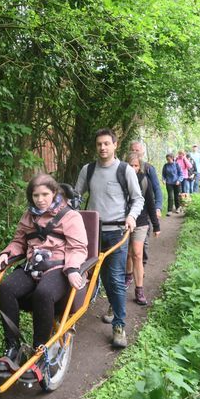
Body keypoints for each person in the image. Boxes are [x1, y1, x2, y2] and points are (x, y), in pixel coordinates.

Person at [0, 173, 88, 378]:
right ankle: (12, 348)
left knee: (43, 293)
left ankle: (39, 352)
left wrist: (72, 269)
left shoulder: (70, 216)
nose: (40, 199)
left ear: (54, 193)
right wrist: (7, 253)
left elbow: (78, 248)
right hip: (32, 267)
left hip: (58, 269)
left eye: (45, 194)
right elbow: (19, 241)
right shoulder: (28, 217)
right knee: (7, 288)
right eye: (36, 195)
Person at [75, 129, 144, 348]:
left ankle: (119, 326)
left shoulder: (125, 170)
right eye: (99, 144)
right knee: (98, 276)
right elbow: (76, 197)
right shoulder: (89, 170)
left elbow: (137, 199)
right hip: (92, 232)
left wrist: (132, 217)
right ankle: (113, 304)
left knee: (114, 278)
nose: (103, 148)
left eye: (106, 143)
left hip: (117, 232)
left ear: (115, 145)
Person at [125, 153, 160, 306]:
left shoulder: (144, 181)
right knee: (127, 254)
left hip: (140, 222)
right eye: (130, 165)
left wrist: (156, 225)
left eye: (136, 166)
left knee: (137, 254)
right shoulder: (120, 180)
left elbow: (151, 204)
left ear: (140, 167)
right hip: (123, 222)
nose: (133, 168)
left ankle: (139, 289)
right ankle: (127, 276)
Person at [128, 140, 162, 269]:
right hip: (126, 214)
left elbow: (156, 189)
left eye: (137, 150)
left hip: (144, 212)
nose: (135, 152)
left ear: (142, 152)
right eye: (133, 150)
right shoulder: (123, 170)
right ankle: (130, 271)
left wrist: (158, 206)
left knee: (144, 241)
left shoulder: (148, 169)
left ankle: (142, 264)